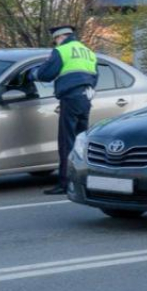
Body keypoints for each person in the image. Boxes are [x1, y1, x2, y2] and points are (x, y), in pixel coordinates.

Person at [30, 25, 98, 195]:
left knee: (66, 142)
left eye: (56, 40)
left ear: (60, 37)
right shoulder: (88, 52)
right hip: (86, 98)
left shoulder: (62, 51)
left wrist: (32, 74)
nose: (56, 43)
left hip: (71, 97)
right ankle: (81, 182)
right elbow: (94, 77)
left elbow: (46, 74)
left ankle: (65, 183)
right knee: (81, 142)